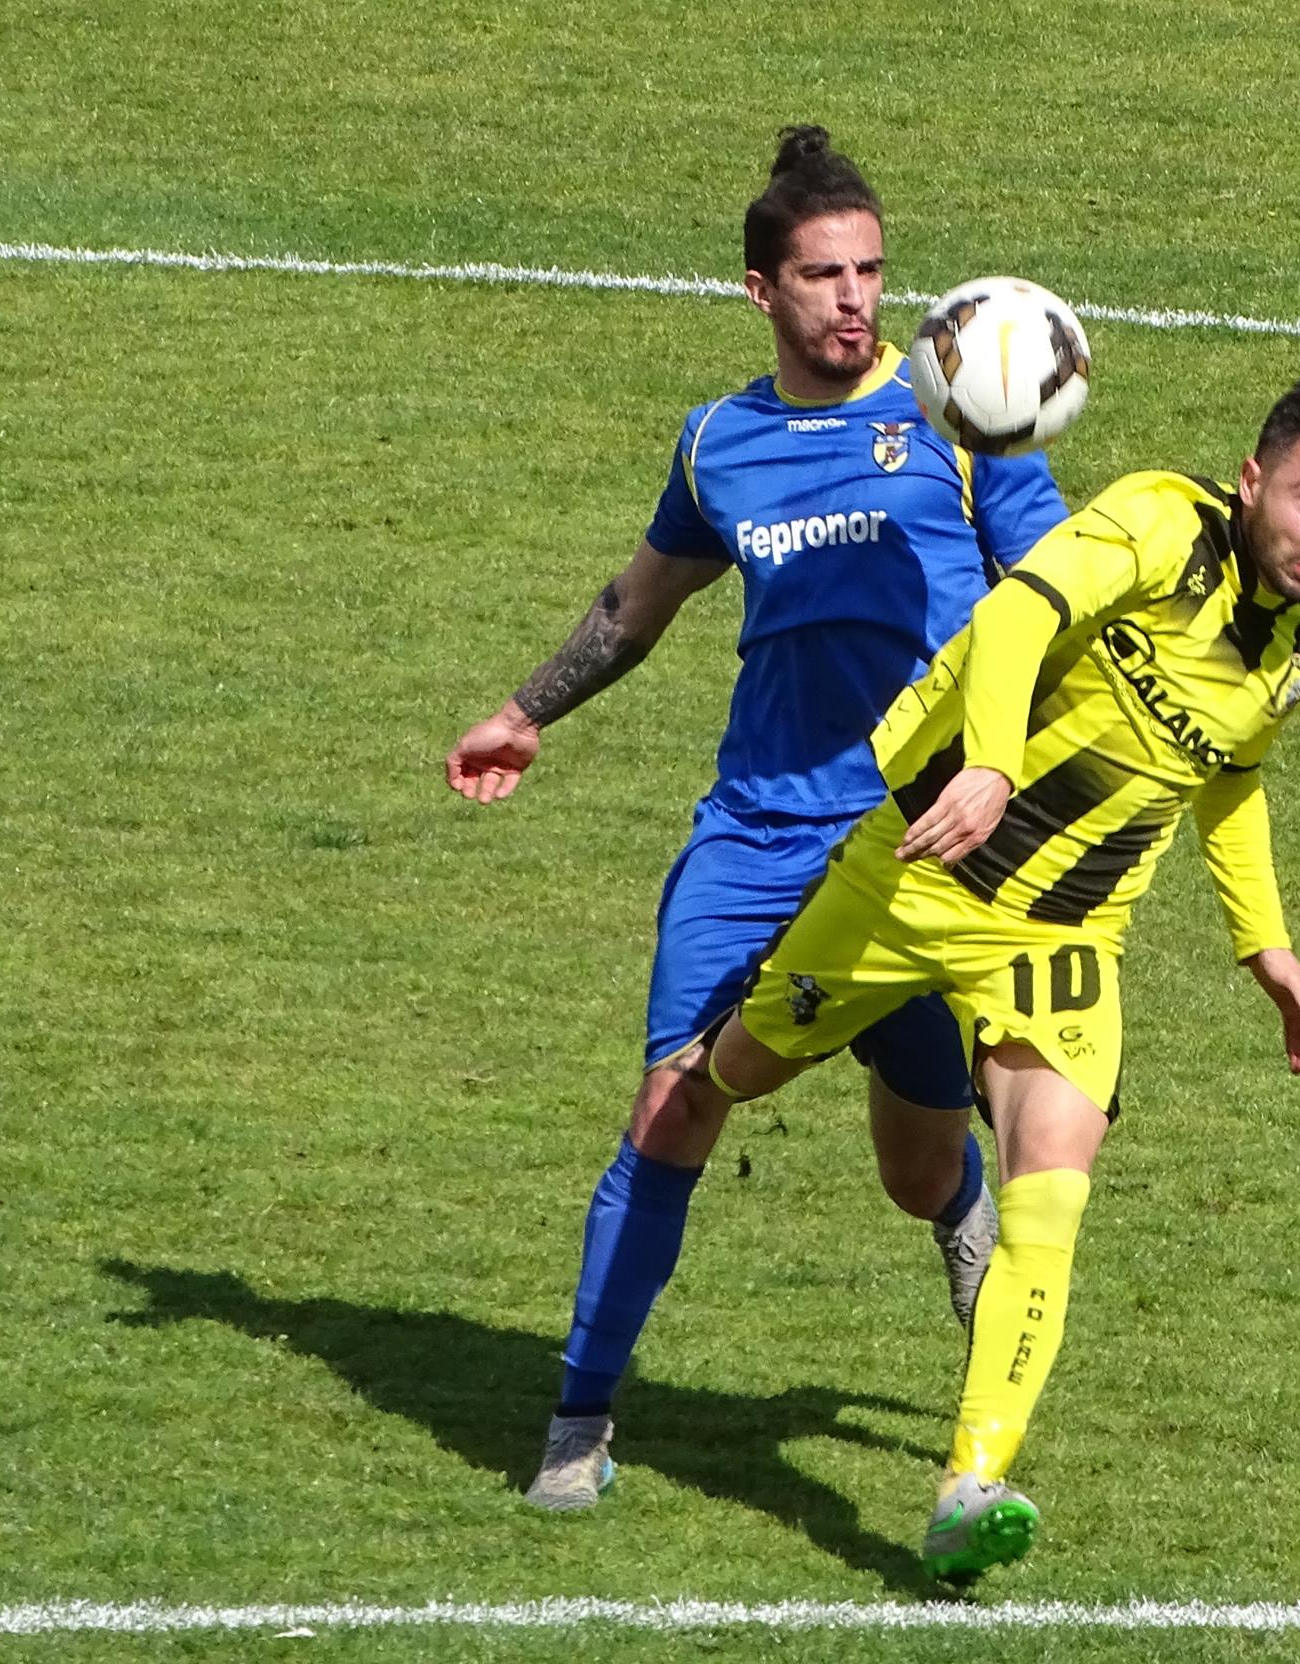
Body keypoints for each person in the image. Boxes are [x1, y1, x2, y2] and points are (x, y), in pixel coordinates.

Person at [445, 126, 1069, 1512]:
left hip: (919, 845)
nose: (856, 299)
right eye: (824, 276)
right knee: (672, 1104)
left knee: (916, 1167)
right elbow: (639, 602)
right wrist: (528, 710)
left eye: (872, 272)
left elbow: (1058, 604)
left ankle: (963, 1218)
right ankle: (579, 1421)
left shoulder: (965, 419)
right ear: (759, 291)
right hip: (760, 836)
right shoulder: (719, 442)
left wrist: (1013, 772)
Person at [699, 374, 1300, 1580]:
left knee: (1053, 1194)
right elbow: (1019, 615)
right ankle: (828, 1031)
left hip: (1063, 936)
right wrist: (986, 762)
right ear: (1252, 480)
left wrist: (1263, 941)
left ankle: (970, 1481)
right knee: (736, 1071)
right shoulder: (1153, 525)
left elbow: (1224, 773)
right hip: (916, 870)